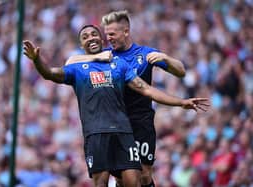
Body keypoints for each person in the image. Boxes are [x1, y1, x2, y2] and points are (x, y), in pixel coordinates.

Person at [23, 25, 209, 187]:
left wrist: (181, 102)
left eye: (93, 34)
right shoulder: (77, 69)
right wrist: (37, 60)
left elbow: (147, 90)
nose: (90, 38)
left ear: (101, 38)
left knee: (134, 181)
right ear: (82, 46)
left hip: (123, 132)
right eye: (85, 37)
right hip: (96, 133)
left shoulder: (118, 64)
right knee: (101, 183)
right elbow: (49, 73)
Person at [66, 10, 186, 187]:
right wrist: (95, 56)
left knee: (144, 175)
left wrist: (166, 58)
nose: (108, 39)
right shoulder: (105, 55)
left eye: (112, 34)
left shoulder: (145, 54)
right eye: (106, 35)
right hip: (116, 123)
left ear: (126, 32)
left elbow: (181, 71)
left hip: (140, 121)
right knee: (122, 179)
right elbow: (70, 63)